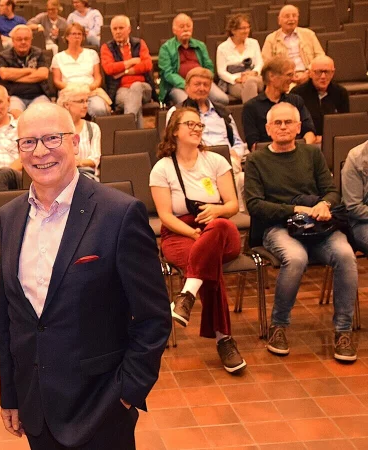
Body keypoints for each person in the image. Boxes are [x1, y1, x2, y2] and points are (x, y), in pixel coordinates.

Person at [0, 102, 171, 448]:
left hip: (101, 407)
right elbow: (10, 317)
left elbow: (153, 316)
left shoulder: (119, 214)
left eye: (52, 138)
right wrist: (11, 393)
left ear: (75, 142)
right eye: (28, 142)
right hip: (37, 407)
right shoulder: (9, 216)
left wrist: (128, 391)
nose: (40, 151)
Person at [245, 102, 357, 361]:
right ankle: (279, 327)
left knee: (345, 255)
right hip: (278, 228)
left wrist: (323, 204)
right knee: (296, 258)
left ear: (298, 127)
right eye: (277, 123)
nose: (283, 127)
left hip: (317, 227)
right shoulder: (256, 160)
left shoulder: (312, 154)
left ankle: (343, 331)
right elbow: (254, 205)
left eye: (288, 122)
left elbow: (332, 190)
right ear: (268, 128)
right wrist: (296, 207)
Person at [150, 107, 245, 372]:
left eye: (199, 125)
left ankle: (187, 294)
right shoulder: (162, 168)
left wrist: (217, 211)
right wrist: (192, 233)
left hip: (220, 230)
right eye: (189, 124)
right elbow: (165, 216)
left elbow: (232, 205)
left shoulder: (215, 161)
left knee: (220, 227)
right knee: (209, 267)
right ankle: (224, 340)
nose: (196, 128)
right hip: (181, 233)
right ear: (174, 130)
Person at [166, 68, 248, 209]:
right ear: (187, 87)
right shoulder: (177, 112)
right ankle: (235, 211)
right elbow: (172, 142)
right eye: (197, 84)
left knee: (243, 177)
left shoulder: (223, 111)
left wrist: (237, 153)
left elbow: (238, 142)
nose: (201, 88)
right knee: (234, 172)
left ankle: (229, 209)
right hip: (197, 160)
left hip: (229, 159)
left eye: (206, 85)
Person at [242, 56, 316, 150]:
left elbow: (309, 132)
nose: (293, 79)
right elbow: (253, 145)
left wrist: (301, 151)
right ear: (272, 76)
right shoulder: (251, 107)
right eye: (289, 75)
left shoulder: (296, 101)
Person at [159, 14, 228, 106]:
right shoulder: (166, 48)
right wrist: (187, 85)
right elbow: (168, 74)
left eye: (188, 26)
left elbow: (208, 66)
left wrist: (204, 81)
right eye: (182, 26)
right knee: (187, 103)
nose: (186, 29)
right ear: (174, 30)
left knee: (222, 99)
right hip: (178, 86)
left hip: (201, 82)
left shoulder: (200, 45)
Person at [101, 15, 157, 129]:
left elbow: (147, 65)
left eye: (121, 28)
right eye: (114, 29)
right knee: (133, 102)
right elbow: (109, 68)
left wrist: (123, 72)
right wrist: (131, 62)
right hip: (120, 90)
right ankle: (138, 136)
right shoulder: (106, 47)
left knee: (136, 87)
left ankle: (127, 128)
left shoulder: (139, 43)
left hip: (144, 88)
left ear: (129, 29)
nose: (118, 32)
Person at [52, 23, 110, 118]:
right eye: (74, 34)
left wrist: (89, 87)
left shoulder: (92, 54)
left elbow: (98, 77)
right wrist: (74, 89)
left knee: (99, 109)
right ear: (67, 37)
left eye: (80, 34)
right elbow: (57, 81)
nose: (77, 36)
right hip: (69, 92)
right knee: (66, 113)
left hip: (90, 91)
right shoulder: (58, 57)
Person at [262, 4, 324, 86]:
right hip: (284, 78)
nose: (291, 19)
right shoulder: (271, 39)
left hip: (309, 75)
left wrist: (308, 72)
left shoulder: (309, 34)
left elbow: (320, 56)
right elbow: (267, 64)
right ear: (279, 21)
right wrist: (288, 75)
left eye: (294, 16)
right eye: (287, 16)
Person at [0, 25, 51, 118]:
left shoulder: (38, 53)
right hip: (14, 96)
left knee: (40, 116)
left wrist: (14, 77)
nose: (23, 42)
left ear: (31, 40)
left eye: (26, 39)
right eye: (19, 39)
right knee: (16, 116)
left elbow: (43, 74)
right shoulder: (3, 56)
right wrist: (29, 70)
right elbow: (4, 74)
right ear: (13, 41)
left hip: (38, 95)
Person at [290, 55, 349, 136]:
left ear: (333, 73)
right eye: (318, 72)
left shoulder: (341, 93)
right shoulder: (297, 93)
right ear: (310, 73)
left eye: (327, 72)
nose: (323, 76)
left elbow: (344, 123)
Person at [217, 14, 263, 103]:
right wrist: (236, 79)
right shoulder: (222, 48)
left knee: (251, 82)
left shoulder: (254, 43)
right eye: (242, 28)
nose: (246, 31)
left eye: (247, 27)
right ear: (233, 30)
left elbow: (260, 63)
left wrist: (253, 73)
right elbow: (221, 72)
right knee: (248, 90)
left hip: (255, 78)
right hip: (235, 82)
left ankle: (250, 114)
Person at [57, 84, 100, 178]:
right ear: (66, 104)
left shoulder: (93, 128)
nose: (85, 105)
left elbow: (95, 159)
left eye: (86, 101)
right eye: (81, 101)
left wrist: (79, 162)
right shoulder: (55, 129)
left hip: (87, 176)